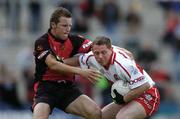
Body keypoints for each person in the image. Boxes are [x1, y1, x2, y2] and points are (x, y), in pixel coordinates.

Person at [32, 7, 102, 119]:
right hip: (46, 89)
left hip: (67, 88)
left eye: (70, 26)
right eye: (64, 26)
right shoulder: (42, 42)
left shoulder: (74, 40)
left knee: (96, 113)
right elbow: (53, 64)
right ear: (53, 25)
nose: (68, 29)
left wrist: (119, 51)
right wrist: (81, 71)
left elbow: (97, 47)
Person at [79, 36, 160, 119]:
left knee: (121, 117)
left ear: (110, 50)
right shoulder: (91, 57)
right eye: (97, 53)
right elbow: (76, 60)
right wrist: (65, 66)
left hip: (148, 95)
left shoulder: (122, 64)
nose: (100, 56)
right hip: (128, 94)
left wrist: (124, 99)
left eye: (103, 52)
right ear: (93, 52)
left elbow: (145, 85)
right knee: (99, 116)